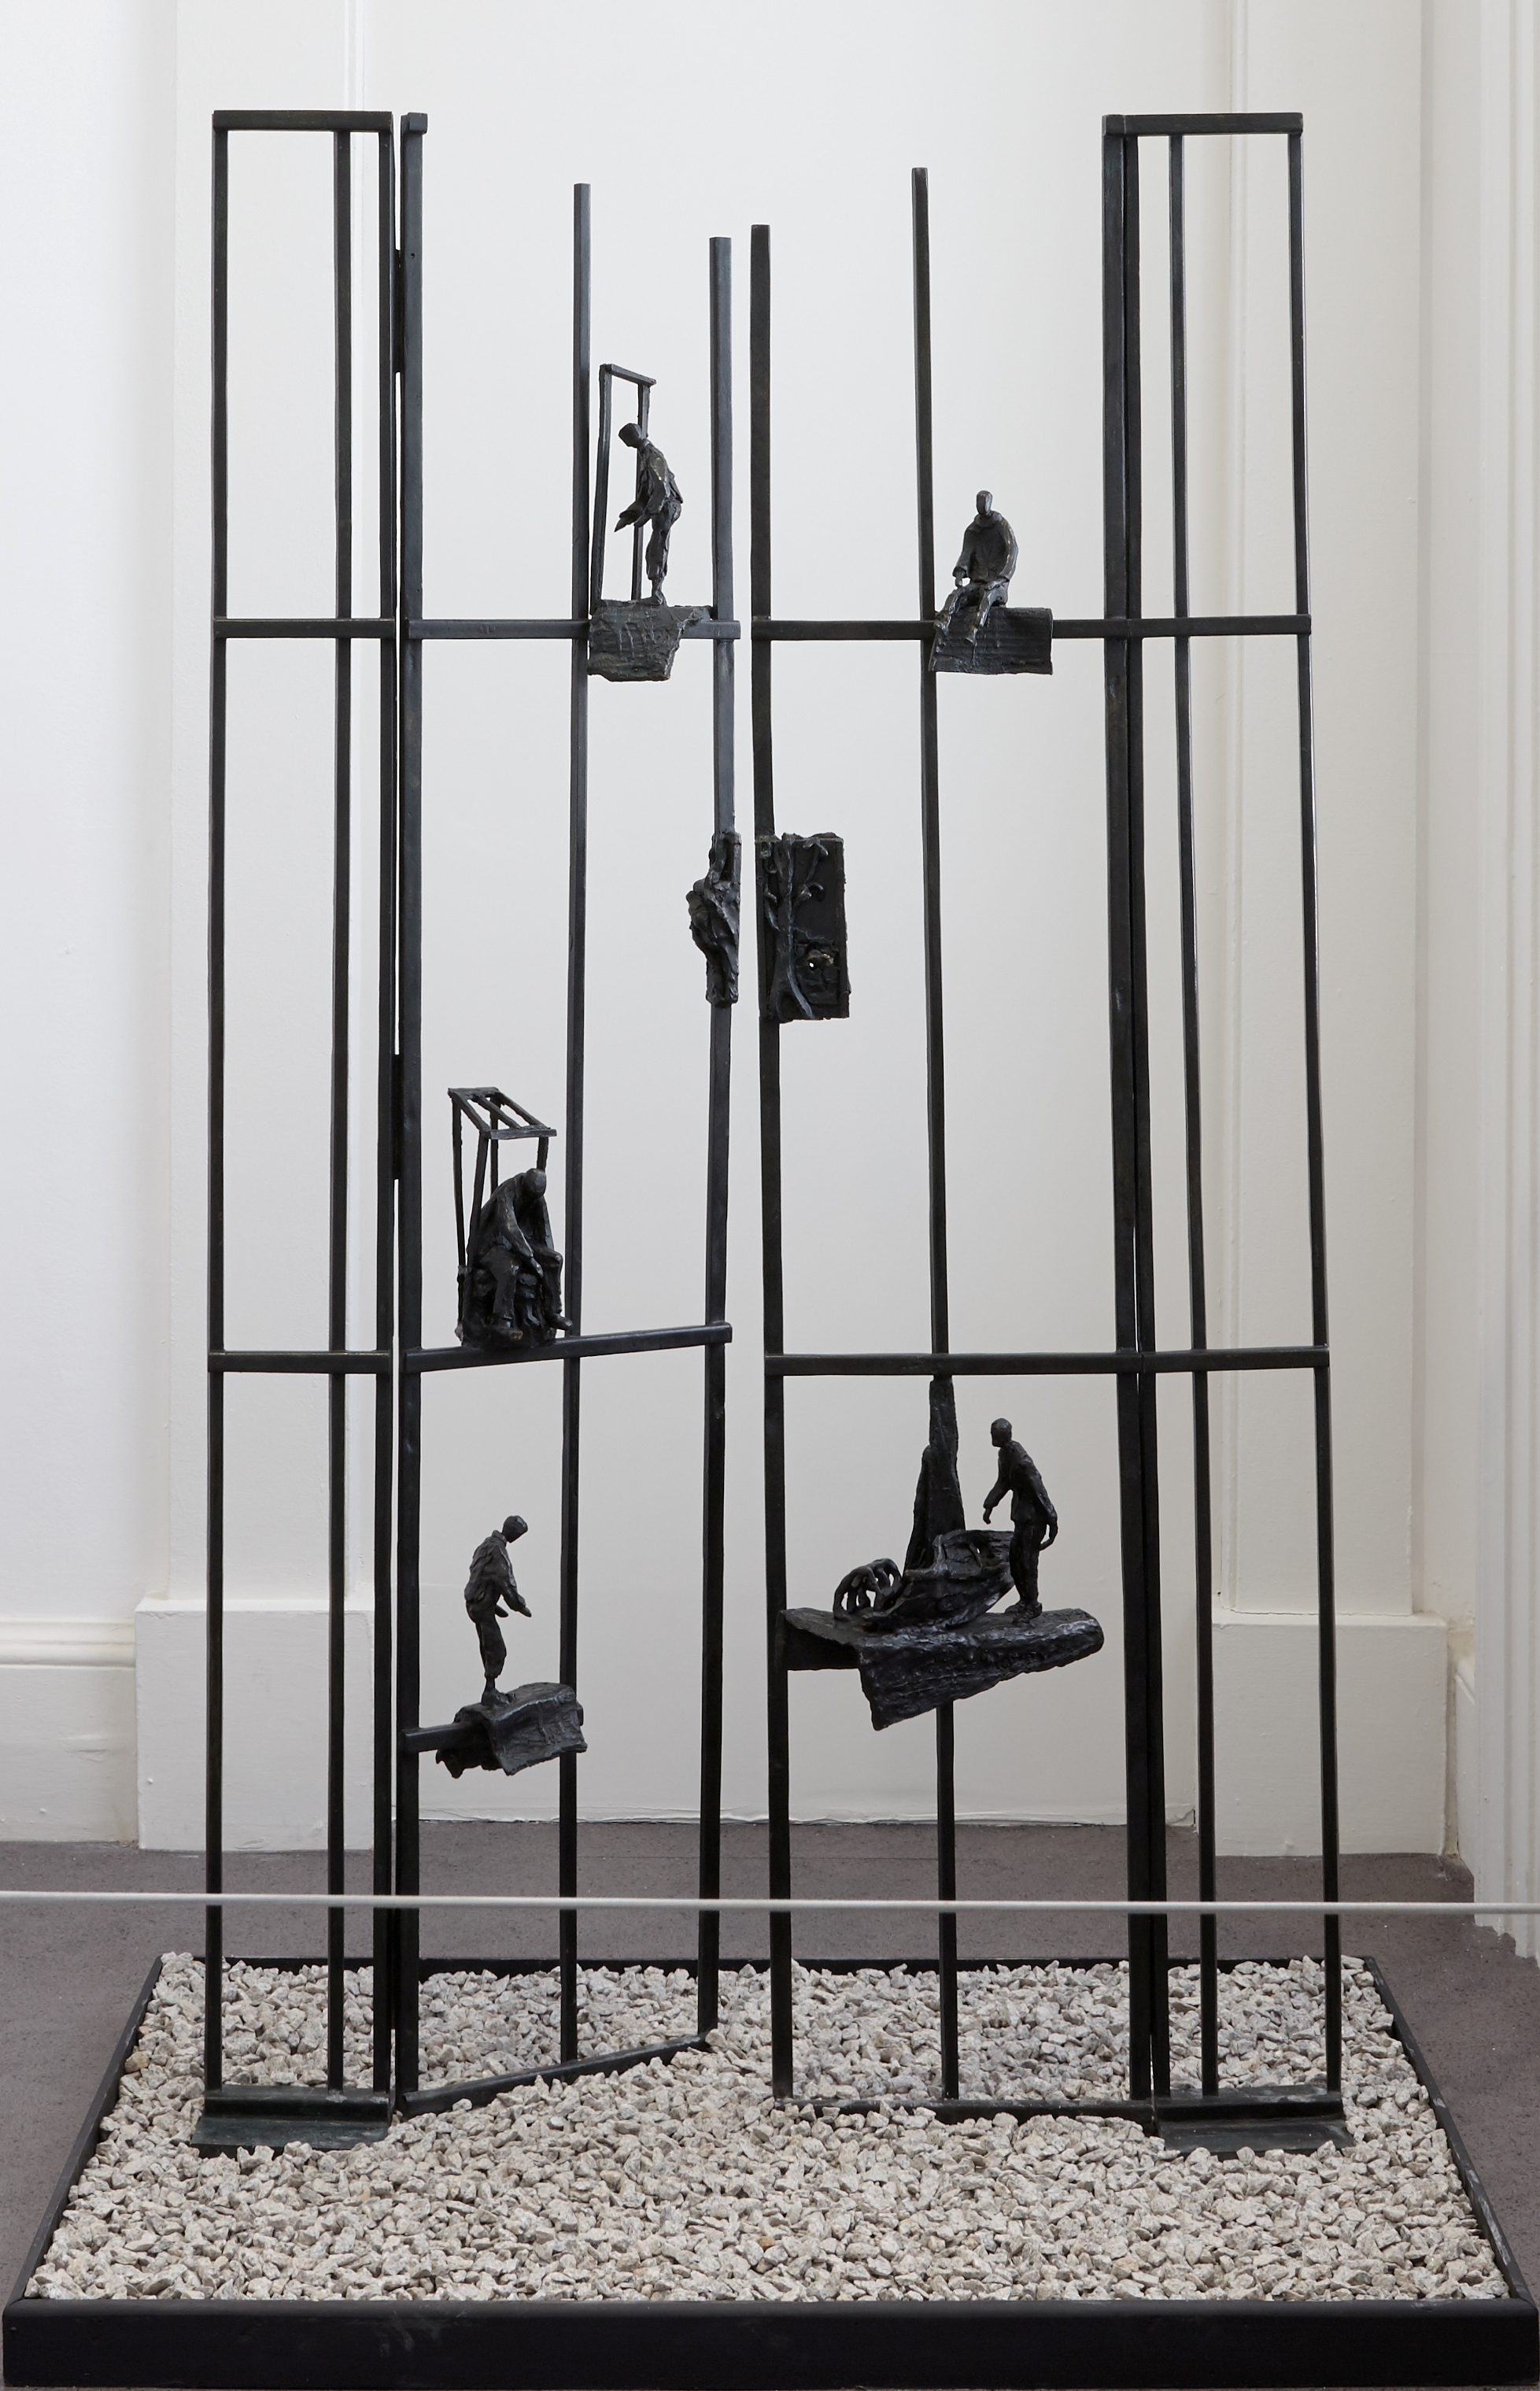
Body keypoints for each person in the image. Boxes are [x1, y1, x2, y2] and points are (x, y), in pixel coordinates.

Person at [981, 1417, 1058, 1617]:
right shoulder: (1004, 1454)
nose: (992, 1437)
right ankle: (1024, 1600)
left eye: (995, 1434)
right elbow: (1003, 1482)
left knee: (1027, 1561)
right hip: (1021, 1517)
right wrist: (990, 1505)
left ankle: (1032, 1604)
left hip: (1034, 1518)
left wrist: (1051, 1517)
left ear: (1005, 1435)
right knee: (1015, 1560)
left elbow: (1037, 1487)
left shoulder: (1020, 1459)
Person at [936, 490, 1018, 649]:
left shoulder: (1002, 527)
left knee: (987, 598)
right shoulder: (973, 531)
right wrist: (960, 573)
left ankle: (974, 630)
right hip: (977, 583)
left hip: (997, 585)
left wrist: (1000, 579)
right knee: (958, 594)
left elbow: (1012, 551)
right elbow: (966, 555)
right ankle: (944, 621)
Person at [463, 1515, 530, 1698]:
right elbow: (505, 1581)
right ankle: (490, 1691)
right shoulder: (498, 1551)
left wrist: (492, 1604)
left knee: (486, 1644)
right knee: (497, 1649)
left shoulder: (486, 1545)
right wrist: (519, 1605)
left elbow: (481, 1575)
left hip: (474, 1604)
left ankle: (490, 1689)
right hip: (481, 1606)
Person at [615, 421, 683, 601]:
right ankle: (656, 592)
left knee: (657, 548)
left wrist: (646, 516)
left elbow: (662, 489)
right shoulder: (645, 458)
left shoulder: (653, 456)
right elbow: (645, 495)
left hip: (667, 507)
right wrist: (629, 516)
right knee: (654, 549)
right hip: (662, 507)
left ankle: (657, 594)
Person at [504, 1166, 571, 1336]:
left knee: (555, 1260)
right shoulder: (508, 1192)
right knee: (511, 1268)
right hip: (502, 1243)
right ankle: (504, 1322)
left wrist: (547, 1256)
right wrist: (532, 1261)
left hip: (525, 1241)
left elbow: (545, 1229)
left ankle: (552, 1312)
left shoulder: (537, 1198)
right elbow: (510, 1228)